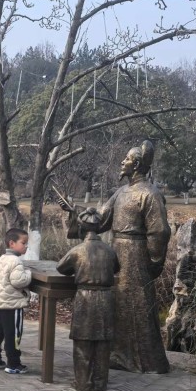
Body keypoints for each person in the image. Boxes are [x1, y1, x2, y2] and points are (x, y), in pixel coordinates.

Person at [58, 139, 171, 373]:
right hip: (116, 252)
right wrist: (73, 212)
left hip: (137, 256)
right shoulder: (120, 193)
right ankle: (118, 354)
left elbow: (159, 231)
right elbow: (99, 219)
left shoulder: (150, 194)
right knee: (117, 303)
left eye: (127, 159)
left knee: (137, 304)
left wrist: (153, 263)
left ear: (136, 165)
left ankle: (144, 359)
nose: (122, 162)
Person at [56, 208, 121, 391]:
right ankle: (100, 383)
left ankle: (83, 382)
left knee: (82, 343)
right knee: (103, 343)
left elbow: (61, 268)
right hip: (106, 298)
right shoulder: (110, 251)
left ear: (81, 228)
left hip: (85, 299)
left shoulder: (77, 251)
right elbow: (116, 268)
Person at [0, 228, 33, 374]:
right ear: (12, 243)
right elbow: (19, 281)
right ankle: (13, 364)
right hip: (13, 305)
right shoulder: (16, 261)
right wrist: (28, 273)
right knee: (13, 335)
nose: (26, 246)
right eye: (23, 243)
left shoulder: (1, 259)